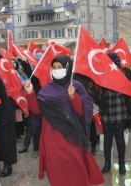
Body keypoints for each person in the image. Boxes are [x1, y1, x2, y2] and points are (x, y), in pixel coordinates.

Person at [24, 56, 104, 186]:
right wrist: (30, 93)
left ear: (67, 68)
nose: (56, 70)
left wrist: (73, 96)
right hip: (51, 138)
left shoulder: (76, 86)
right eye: (54, 68)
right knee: (56, 174)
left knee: (77, 171)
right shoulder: (47, 88)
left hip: (72, 137)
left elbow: (84, 111)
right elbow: (37, 111)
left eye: (59, 67)